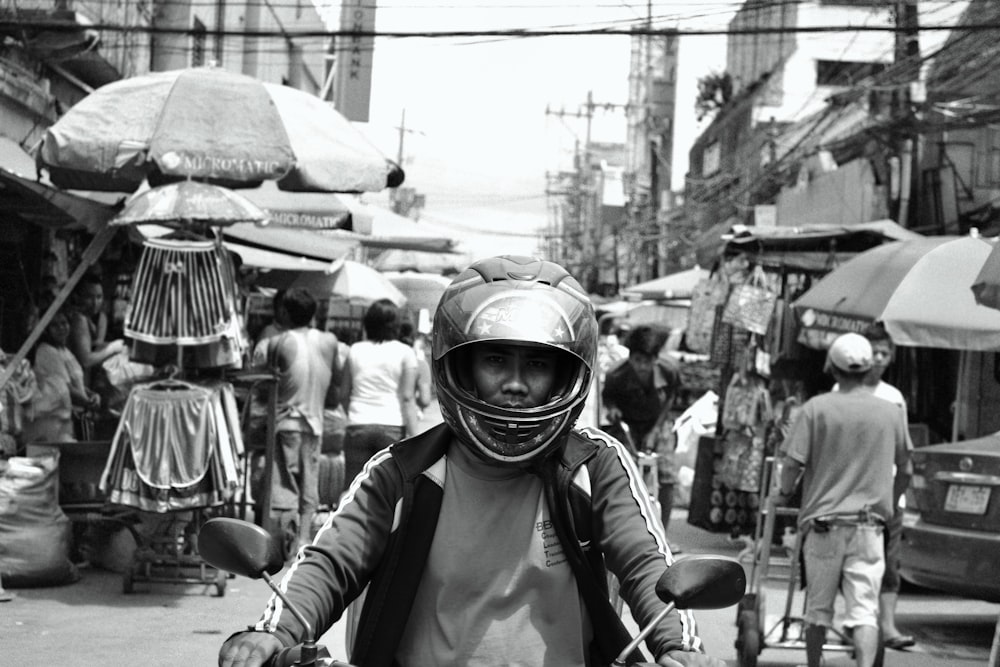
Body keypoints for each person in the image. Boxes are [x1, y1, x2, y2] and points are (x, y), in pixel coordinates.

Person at [219, 255, 724, 667]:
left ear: (568, 371)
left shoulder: (595, 464)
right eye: (496, 359)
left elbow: (646, 563)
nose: (516, 383)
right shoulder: (400, 472)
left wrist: (677, 647)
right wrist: (272, 632)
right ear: (458, 363)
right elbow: (331, 560)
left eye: (539, 363)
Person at [774, 333, 910, 667]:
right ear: (867, 369)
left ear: (832, 369)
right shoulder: (891, 412)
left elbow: (792, 464)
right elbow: (905, 468)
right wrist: (889, 504)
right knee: (864, 611)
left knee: (818, 610)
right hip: (870, 527)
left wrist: (784, 491)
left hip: (824, 527)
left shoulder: (816, 409)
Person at [254, 287, 341, 553]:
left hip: (285, 422)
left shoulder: (278, 342)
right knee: (308, 486)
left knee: (284, 487)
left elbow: (263, 387)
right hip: (314, 424)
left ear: (284, 312)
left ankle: (284, 544)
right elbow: (335, 386)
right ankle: (303, 539)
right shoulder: (330, 342)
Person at [861, 322, 915, 651]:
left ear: (891, 357)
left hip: (890, 493)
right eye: (874, 352)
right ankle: (859, 625)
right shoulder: (844, 394)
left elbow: (903, 450)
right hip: (856, 494)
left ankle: (888, 627)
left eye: (885, 353)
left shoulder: (894, 397)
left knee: (888, 563)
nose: (879, 358)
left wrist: (894, 499)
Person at [602, 324, 682, 536]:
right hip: (628, 424)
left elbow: (671, 399)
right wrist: (613, 410)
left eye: (647, 362)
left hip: (658, 422)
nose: (642, 367)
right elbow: (608, 399)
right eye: (637, 361)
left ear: (656, 359)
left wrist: (656, 431)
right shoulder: (615, 375)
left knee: (667, 476)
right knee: (620, 470)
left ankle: (662, 534)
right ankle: (623, 529)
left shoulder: (670, 370)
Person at [340, 298, 420, 484]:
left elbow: (343, 394)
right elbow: (408, 398)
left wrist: (353, 414)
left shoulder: (355, 350)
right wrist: (415, 437)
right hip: (392, 427)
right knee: (388, 489)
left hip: (357, 425)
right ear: (396, 325)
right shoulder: (405, 353)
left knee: (354, 486)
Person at [24, 308, 100, 444]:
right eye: (55, 325)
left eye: (64, 323)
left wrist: (92, 395)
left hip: (80, 416)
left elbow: (78, 383)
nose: (61, 328)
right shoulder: (46, 351)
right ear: (46, 329)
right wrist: (89, 403)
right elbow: (67, 390)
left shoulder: (65, 351)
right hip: (63, 422)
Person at [67, 274, 125, 387]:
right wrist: (112, 348)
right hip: (77, 383)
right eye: (89, 297)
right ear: (78, 297)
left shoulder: (94, 317)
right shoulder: (79, 319)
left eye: (99, 297)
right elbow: (86, 360)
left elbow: (95, 346)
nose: (95, 303)